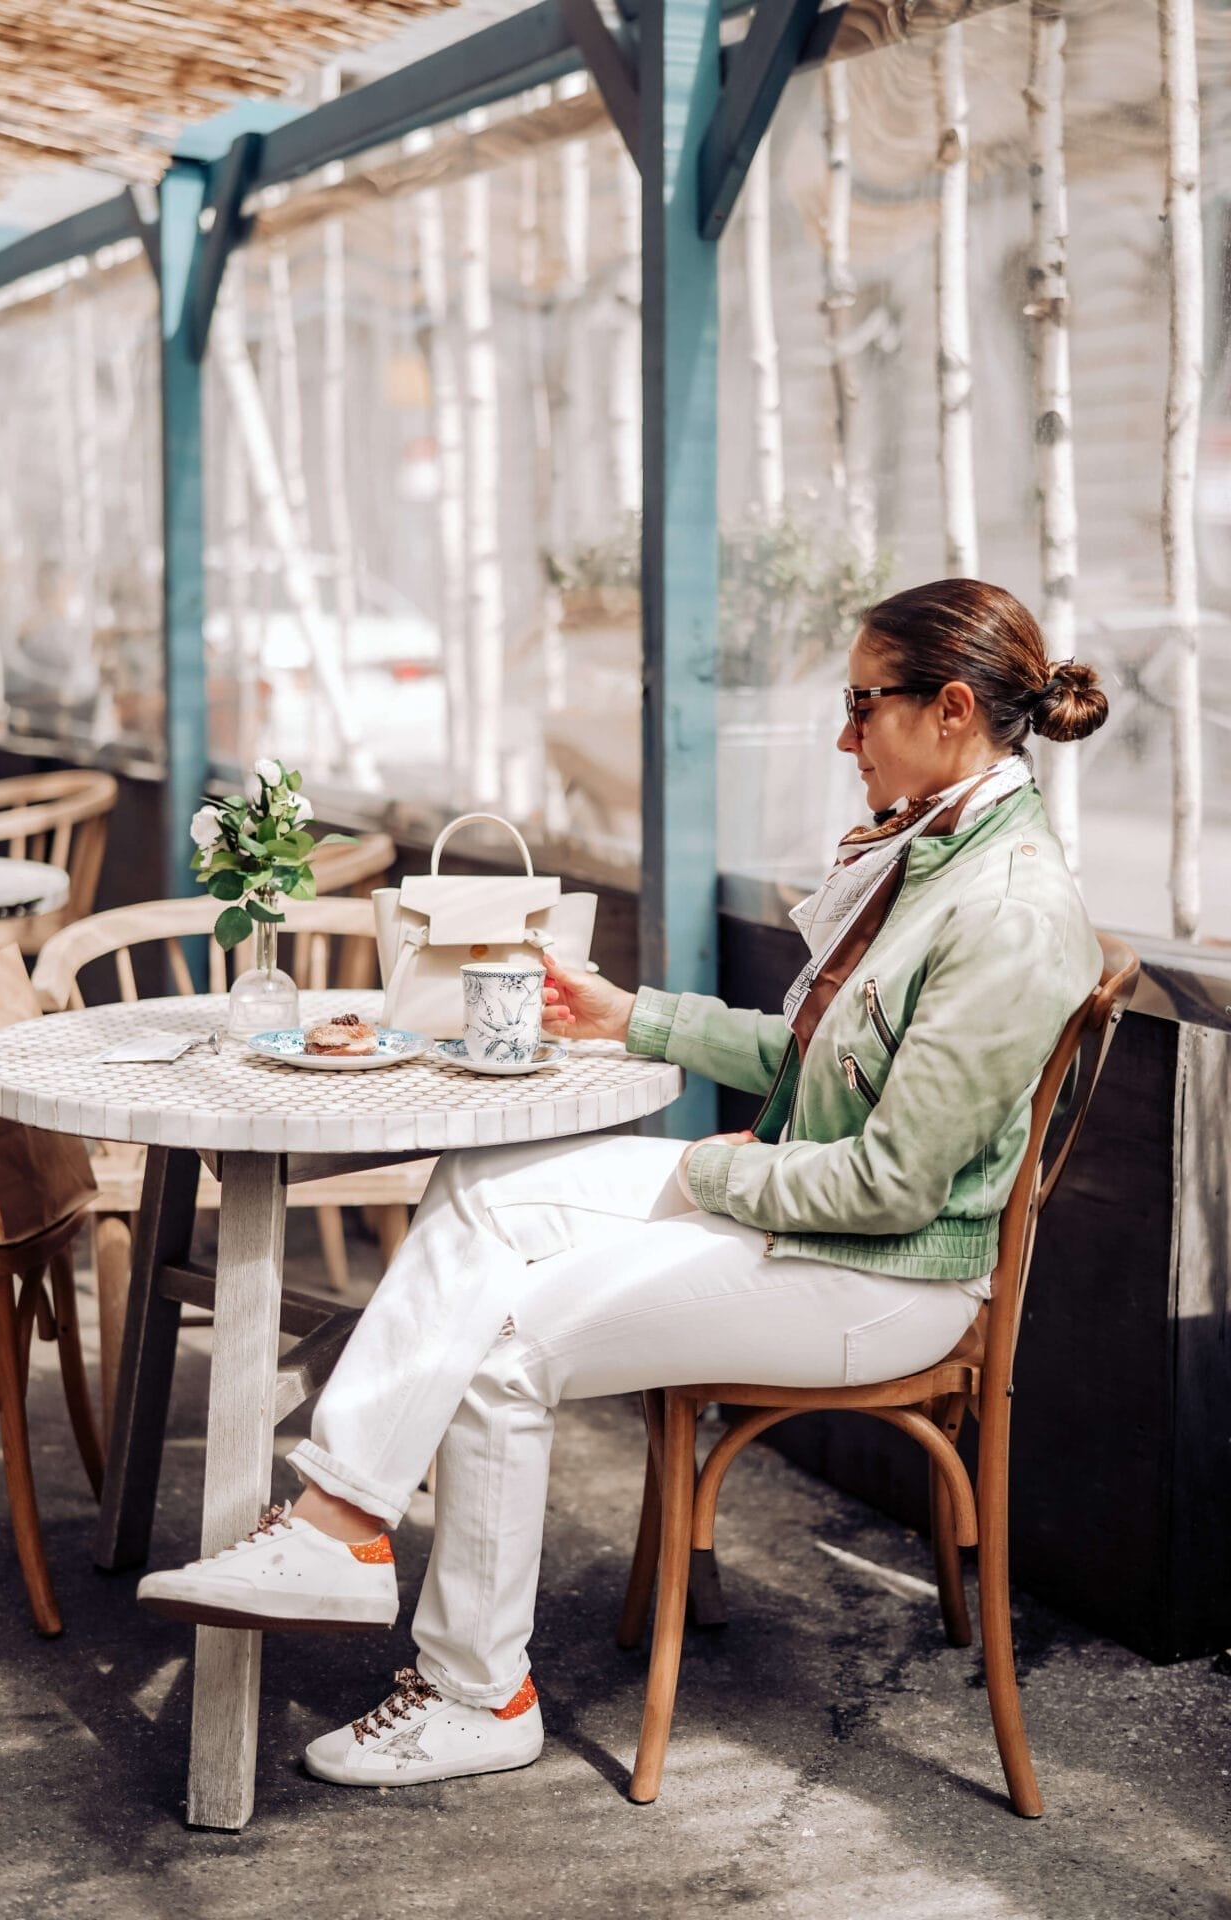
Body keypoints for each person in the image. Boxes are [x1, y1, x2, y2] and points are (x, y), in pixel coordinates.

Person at [138, 578, 1109, 1790]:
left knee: (504, 1341)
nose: (843, 734)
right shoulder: (933, 851)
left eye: (863, 705)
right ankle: (341, 1523)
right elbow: (822, 1063)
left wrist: (713, 1170)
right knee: (488, 1183)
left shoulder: (1005, 908)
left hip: (885, 1276)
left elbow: (896, 1187)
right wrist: (630, 1018)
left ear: (952, 708)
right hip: (807, 1208)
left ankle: (476, 1694)